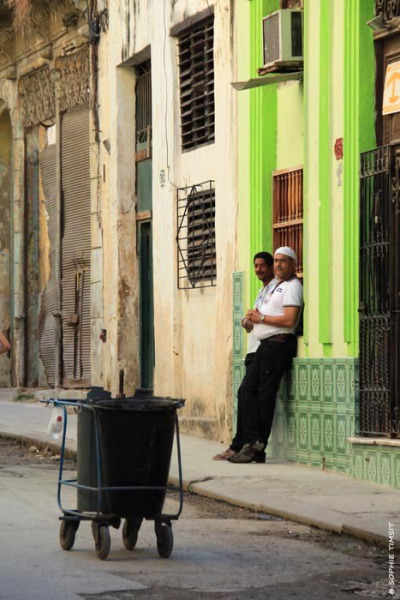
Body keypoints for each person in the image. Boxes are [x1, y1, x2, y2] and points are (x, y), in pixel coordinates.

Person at [228, 246, 303, 464]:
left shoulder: (292, 287)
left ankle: (257, 443)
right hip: (265, 345)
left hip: (278, 345)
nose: (279, 265)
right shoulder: (275, 288)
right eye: (277, 260)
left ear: (293, 264)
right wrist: (254, 319)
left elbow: (289, 320)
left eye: (283, 261)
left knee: (263, 394)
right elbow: (264, 316)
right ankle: (252, 444)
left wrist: (261, 319)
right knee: (246, 391)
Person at [213, 252, 275, 462]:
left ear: (271, 267)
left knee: (248, 393)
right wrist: (248, 322)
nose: (258, 269)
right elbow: (257, 321)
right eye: (256, 265)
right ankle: (240, 443)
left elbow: (270, 319)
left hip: (263, 350)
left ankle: (248, 443)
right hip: (254, 348)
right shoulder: (262, 291)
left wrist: (257, 320)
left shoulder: (277, 289)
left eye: (262, 266)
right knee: (246, 395)